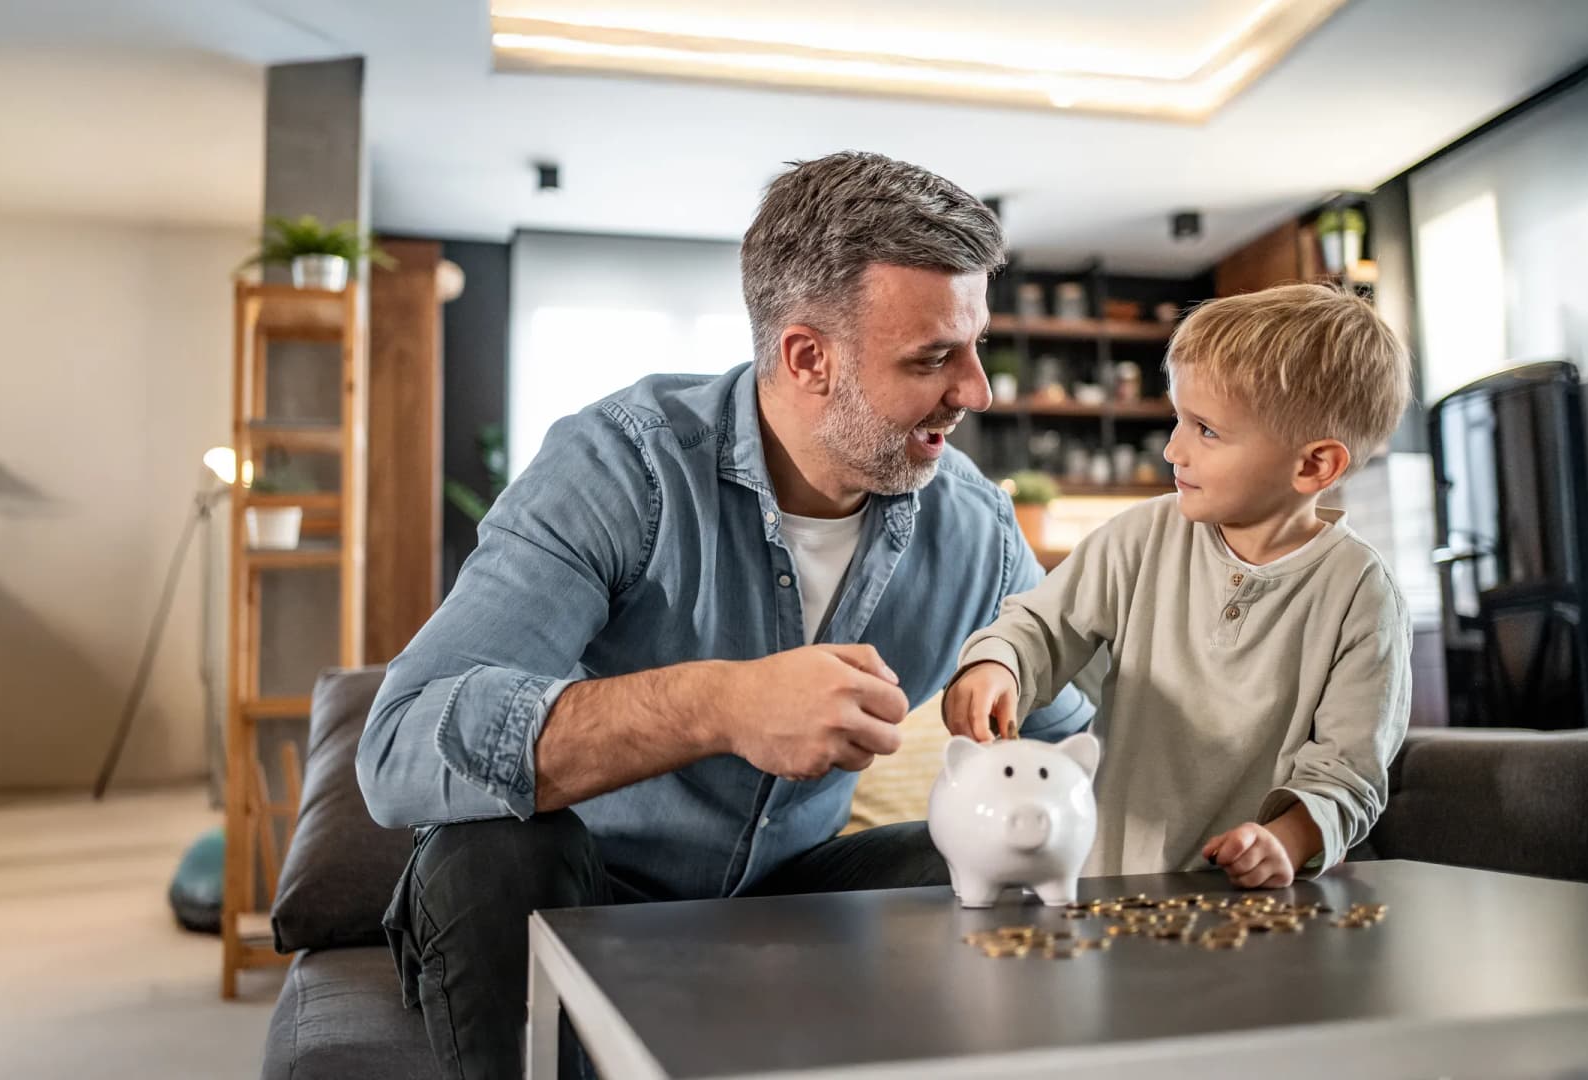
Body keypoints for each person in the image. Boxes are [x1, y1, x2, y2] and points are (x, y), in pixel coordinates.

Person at [356, 150, 1094, 1079]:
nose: (978, 390)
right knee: (494, 852)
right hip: (583, 884)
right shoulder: (620, 468)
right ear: (807, 357)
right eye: (933, 357)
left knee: (990, 863)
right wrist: (719, 705)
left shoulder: (975, 528)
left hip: (790, 899)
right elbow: (399, 748)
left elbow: (1084, 741)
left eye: (975, 345)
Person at [944, 283, 1414, 891]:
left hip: (1256, 902)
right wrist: (997, 664)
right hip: (1107, 881)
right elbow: (1041, 626)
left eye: (1206, 430)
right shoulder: (1140, 537)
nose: (1173, 449)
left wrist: (1286, 841)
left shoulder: (1362, 597)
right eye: (1178, 420)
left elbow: (1349, 775)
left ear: (1313, 465)